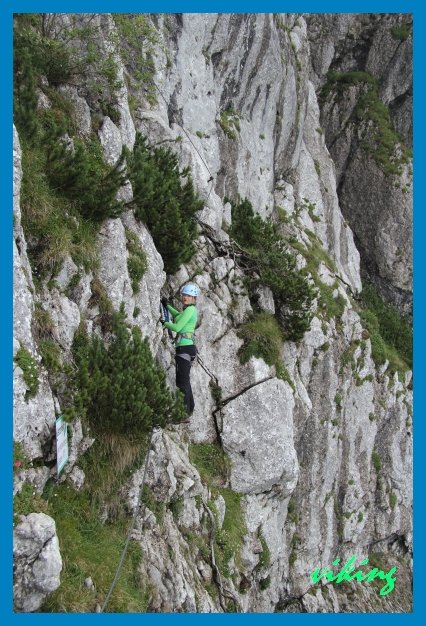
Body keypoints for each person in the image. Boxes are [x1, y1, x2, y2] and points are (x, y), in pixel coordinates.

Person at [161, 283, 199, 416]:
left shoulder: (190, 310)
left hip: (184, 349)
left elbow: (177, 327)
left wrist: (164, 323)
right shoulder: (188, 310)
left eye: (188, 295)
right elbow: (178, 316)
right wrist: (167, 306)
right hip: (188, 348)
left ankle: (184, 413)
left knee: (181, 382)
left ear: (194, 298)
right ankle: (190, 408)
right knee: (185, 381)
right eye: (184, 295)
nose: (185, 297)